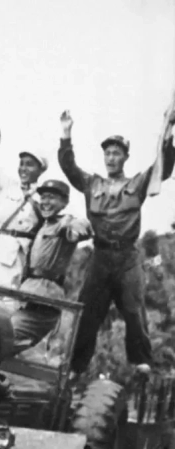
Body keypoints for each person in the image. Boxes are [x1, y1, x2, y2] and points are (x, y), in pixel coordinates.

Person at [58, 110, 175, 375]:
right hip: (100, 257)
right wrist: (66, 134)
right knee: (87, 313)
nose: (111, 158)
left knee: (134, 311)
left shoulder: (138, 183)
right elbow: (69, 167)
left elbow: (164, 167)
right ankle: (76, 366)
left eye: (116, 153)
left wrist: (169, 132)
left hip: (128, 258)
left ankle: (141, 362)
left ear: (125, 157)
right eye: (108, 153)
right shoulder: (92, 183)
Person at [12, 179, 92, 353]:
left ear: (64, 202)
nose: (45, 202)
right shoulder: (44, 225)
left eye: (51, 197)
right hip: (27, 294)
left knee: (5, 339)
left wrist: (79, 229)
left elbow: (81, 227)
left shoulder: (64, 222)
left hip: (44, 299)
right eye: (43, 197)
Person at [0, 129, 46, 288]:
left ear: (41, 170)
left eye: (29, 164)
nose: (23, 168)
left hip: (28, 257)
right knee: (6, 296)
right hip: (2, 254)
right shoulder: (6, 185)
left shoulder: (44, 197)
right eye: (22, 164)